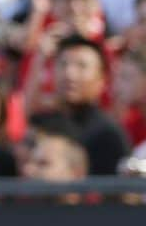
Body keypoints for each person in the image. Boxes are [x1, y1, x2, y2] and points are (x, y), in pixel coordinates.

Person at [53, 36, 130, 177]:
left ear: (102, 79)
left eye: (82, 66)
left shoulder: (108, 136)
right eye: (63, 64)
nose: (69, 74)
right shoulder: (43, 126)